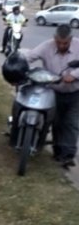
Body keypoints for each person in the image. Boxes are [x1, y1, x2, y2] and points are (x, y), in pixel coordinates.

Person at [24, 24, 79, 168]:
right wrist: (18, 65)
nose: (61, 45)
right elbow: (29, 56)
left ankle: (67, 156)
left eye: (65, 43)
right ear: (54, 39)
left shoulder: (78, 46)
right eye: (58, 42)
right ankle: (57, 152)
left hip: (75, 93)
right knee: (56, 122)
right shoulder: (46, 46)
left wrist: (73, 75)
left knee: (71, 124)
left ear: (71, 40)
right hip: (52, 91)